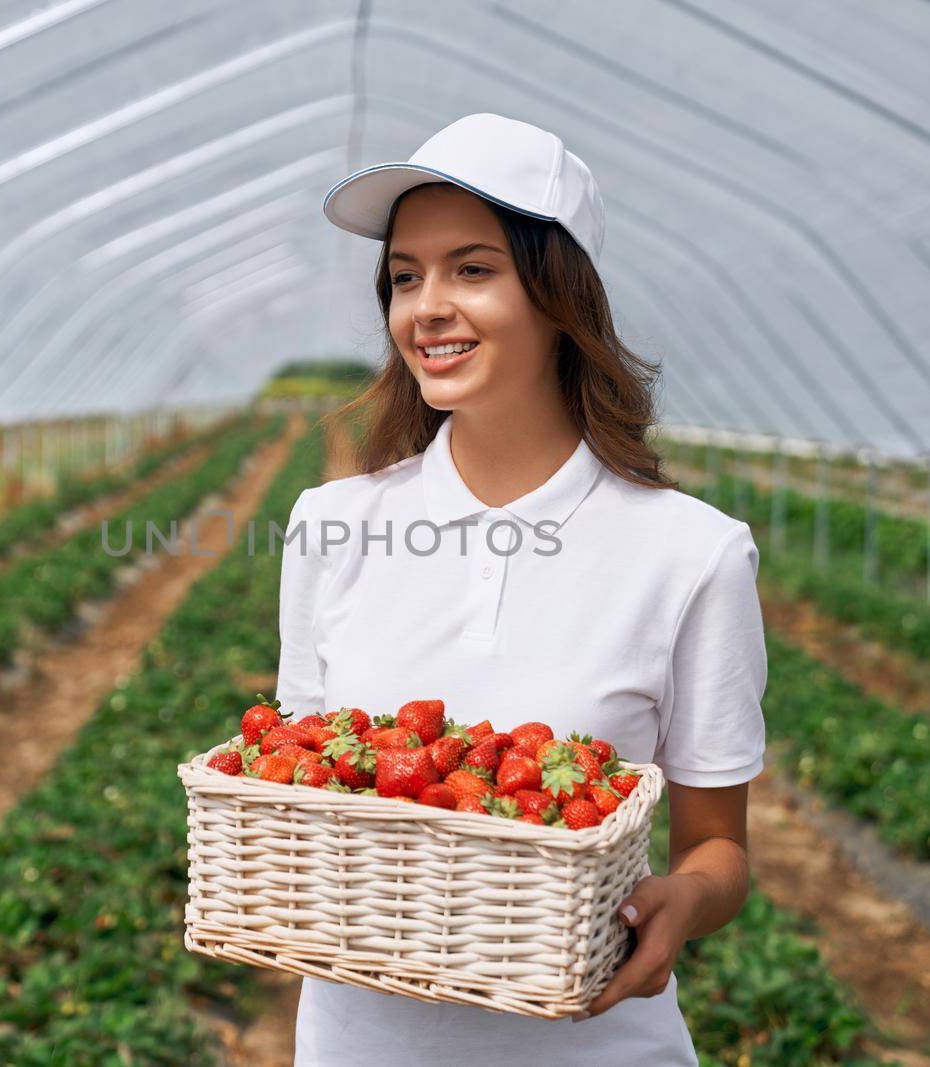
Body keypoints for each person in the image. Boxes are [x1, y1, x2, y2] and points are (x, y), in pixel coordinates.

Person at [276, 113, 768, 1065]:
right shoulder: (330, 524)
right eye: (404, 277)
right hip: (357, 1043)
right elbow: (303, 794)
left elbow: (720, 850)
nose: (426, 306)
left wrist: (684, 902)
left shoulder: (690, 553)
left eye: (472, 268)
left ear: (557, 295)